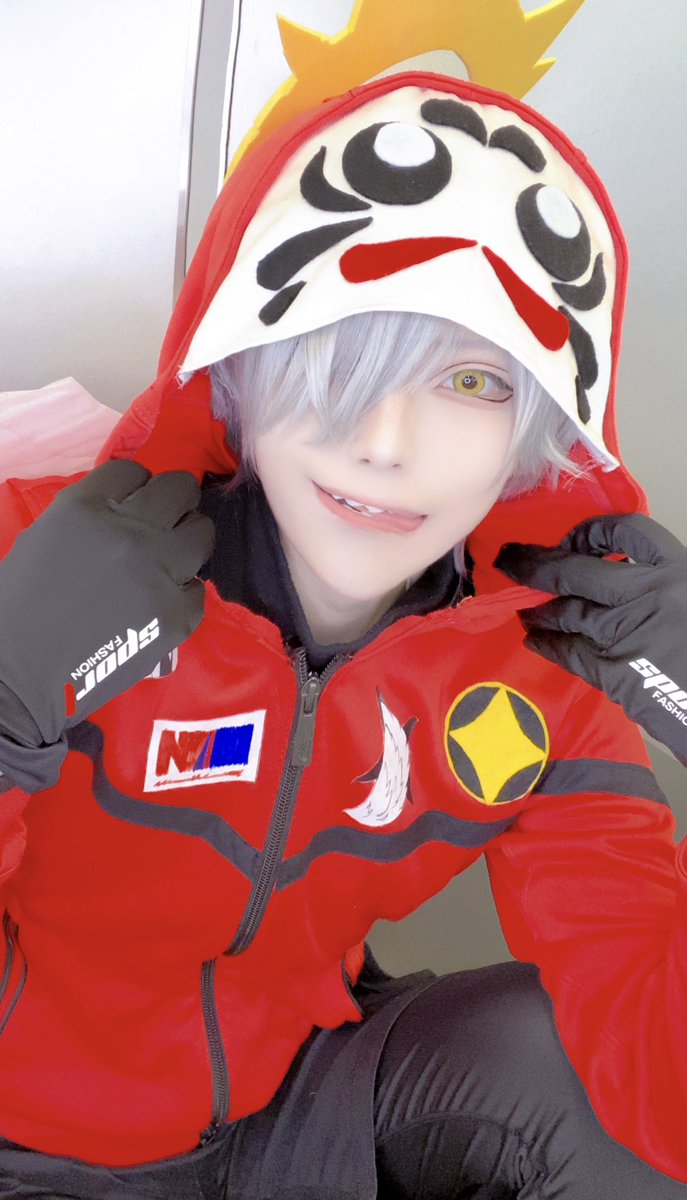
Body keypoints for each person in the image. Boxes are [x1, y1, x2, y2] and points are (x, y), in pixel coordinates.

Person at [0, 67, 686, 1200]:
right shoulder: (35, 559)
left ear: (540, 429)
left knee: (571, 1088)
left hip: (285, 1117)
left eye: (472, 380)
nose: (385, 441)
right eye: (339, 347)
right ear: (238, 360)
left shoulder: (542, 671)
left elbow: (664, 1096)